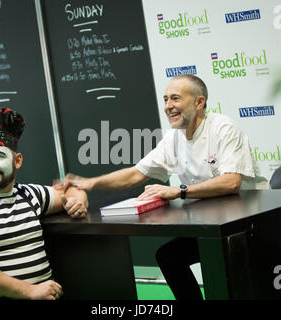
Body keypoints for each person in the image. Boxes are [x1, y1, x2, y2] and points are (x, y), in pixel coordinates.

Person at [64, 74, 269, 299]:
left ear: (199, 102)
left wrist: (179, 191)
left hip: (250, 220)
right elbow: (135, 174)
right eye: (165, 100)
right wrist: (90, 183)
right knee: (169, 256)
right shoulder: (174, 137)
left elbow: (231, 181)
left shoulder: (223, 128)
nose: (168, 106)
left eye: (175, 99)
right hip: (213, 221)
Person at [0, 107, 88, 300]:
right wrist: (29, 291)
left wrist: (77, 202)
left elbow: (74, 187)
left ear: (17, 161)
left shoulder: (30, 194)